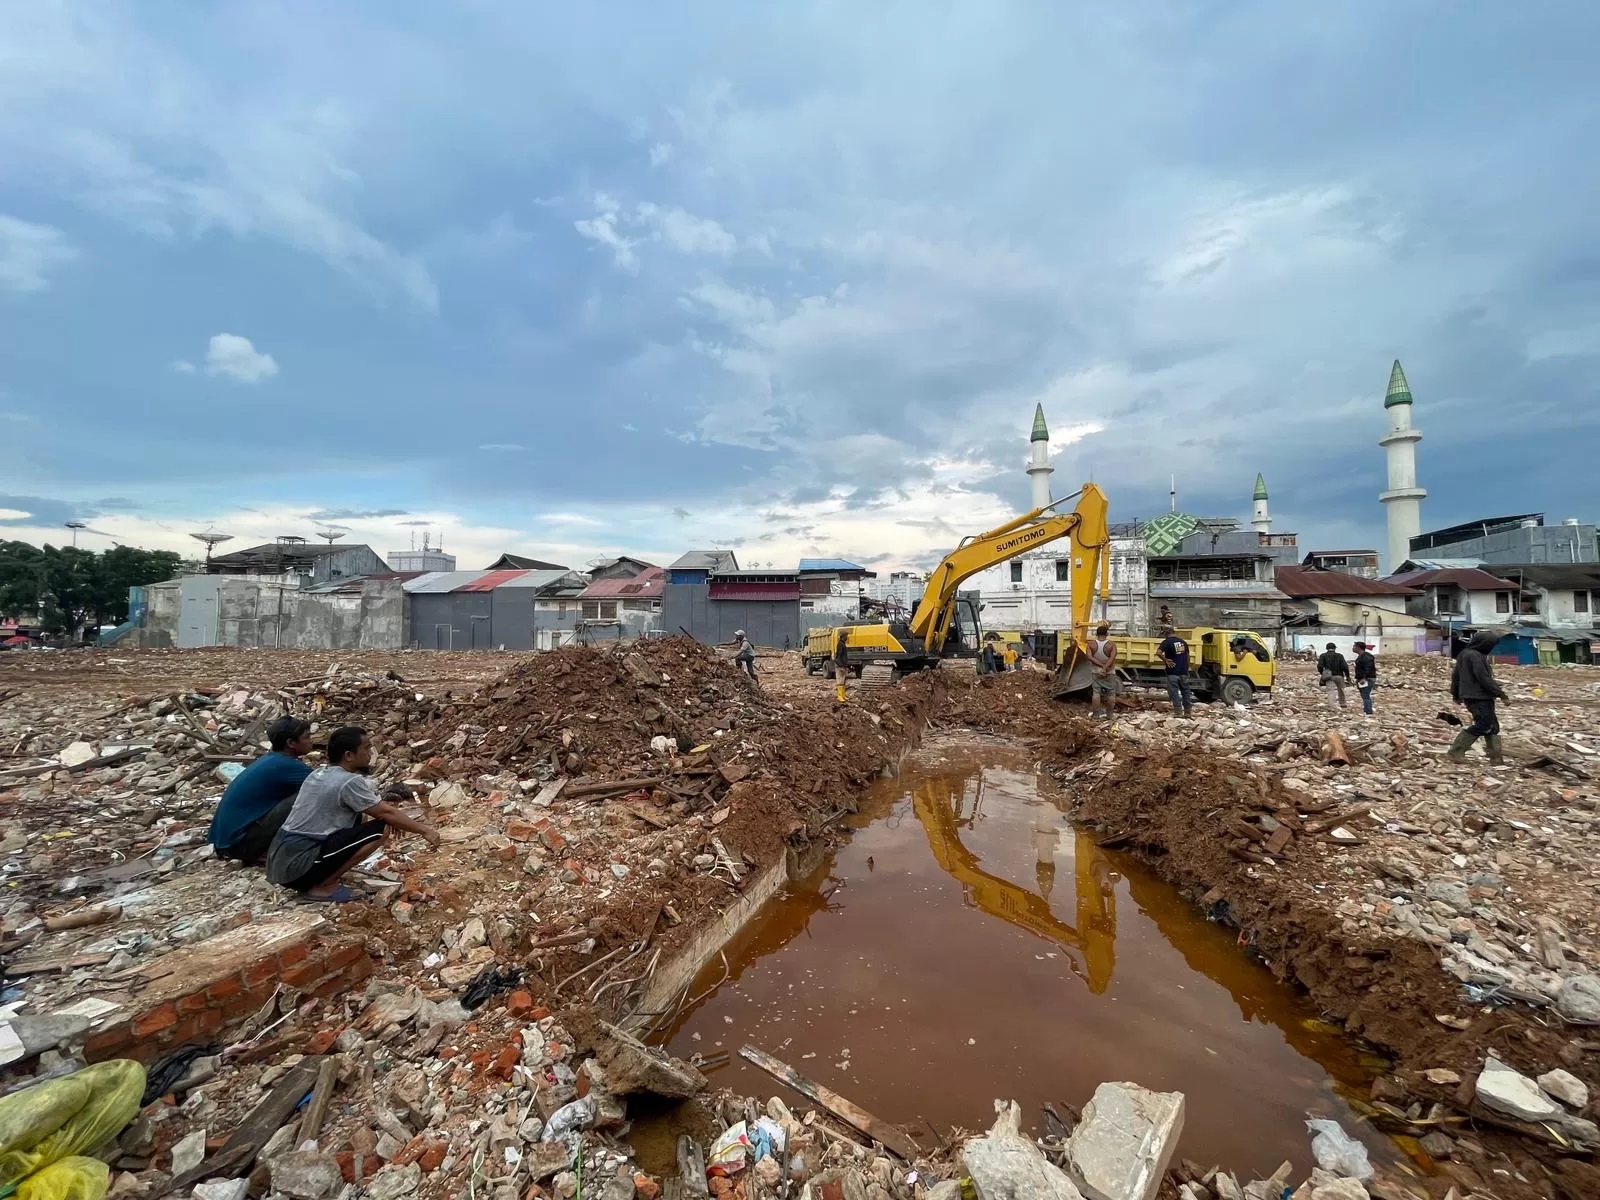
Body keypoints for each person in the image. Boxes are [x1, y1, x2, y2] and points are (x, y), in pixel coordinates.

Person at [266, 726, 441, 902]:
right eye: (366, 748)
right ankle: (324, 886)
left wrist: (389, 816)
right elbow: (386, 812)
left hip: (279, 862)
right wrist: (425, 831)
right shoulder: (348, 781)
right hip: (298, 866)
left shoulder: (318, 774)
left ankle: (322, 875)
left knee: (365, 818)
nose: (370, 752)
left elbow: (376, 809)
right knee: (380, 830)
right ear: (349, 755)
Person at [208, 716, 315, 866]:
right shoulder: (286, 765)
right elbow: (325, 788)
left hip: (224, 844)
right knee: (310, 795)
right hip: (238, 846)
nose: (311, 740)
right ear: (290, 743)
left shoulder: (271, 759)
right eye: (307, 737)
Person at [1449, 630, 1507, 764]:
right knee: (1484, 725)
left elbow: (1456, 676)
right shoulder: (1475, 656)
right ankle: (1456, 751)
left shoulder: (1465, 654)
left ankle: (1496, 758)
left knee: (1493, 726)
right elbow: (1483, 677)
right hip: (1478, 696)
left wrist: (1456, 693)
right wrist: (1500, 693)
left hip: (1476, 696)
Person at [1157, 624, 1193, 718]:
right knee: (1186, 692)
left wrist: (1166, 660)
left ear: (1166, 633)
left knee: (1174, 693)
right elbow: (1188, 657)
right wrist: (1187, 668)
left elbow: (1158, 653)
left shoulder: (1167, 642)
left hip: (1172, 673)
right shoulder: (1182, 642)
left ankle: (1178, 713)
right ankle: (1188, 713)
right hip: (1183, 672)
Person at [1087, 623, 1119, 720]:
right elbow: (1112, 658)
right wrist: (1105, 667)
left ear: (1096, 633)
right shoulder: (1111, 645)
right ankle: (1109, 715)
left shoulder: (1091, 644)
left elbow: (1089, 657)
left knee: (1096, 693)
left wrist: (1101, 666)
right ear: (1107, 634)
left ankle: (1096, 715)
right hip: (1110, 672)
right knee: (1111, 693)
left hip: (1096, 672)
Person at [1316, 641, 1350, 710]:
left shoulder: (1323, 655)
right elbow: (1345, 667)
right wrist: (1347, 676)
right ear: (1335, 648)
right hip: (1339, 675)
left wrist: (1323, 673)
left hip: (1329, 676)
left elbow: (1320, 666)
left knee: (1330, 691)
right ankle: (1343, 704)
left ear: (1326, 648)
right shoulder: (1340, 655)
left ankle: (1332, 706)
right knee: (1341, 690)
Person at [1353, 641, 1378, 715]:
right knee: (1364, 695)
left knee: (1365, 695)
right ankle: (1366, 709)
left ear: (1358, 647)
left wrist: (1364, 677)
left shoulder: (1366, 657)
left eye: (1354, 646)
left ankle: (1368, 711)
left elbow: (1368, 667)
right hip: (1363, 678)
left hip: (1367, 679)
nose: (1353, 648)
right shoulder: (1362, 656)